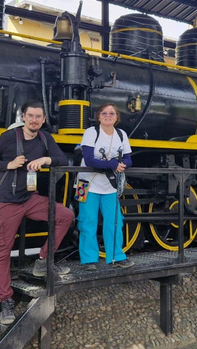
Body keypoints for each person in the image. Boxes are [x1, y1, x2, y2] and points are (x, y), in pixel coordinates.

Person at [0, 100, 74, 325]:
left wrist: (46, 159)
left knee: (65, 216)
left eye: (38, 117)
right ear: (23, 117)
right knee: (3, 252)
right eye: (30, 116)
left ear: (44, 119)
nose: (34, 120)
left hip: (29, 198)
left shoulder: (44, 138)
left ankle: (43, 259)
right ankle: (6, 300)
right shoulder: (10, 137)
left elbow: (62, 159)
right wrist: (8, 165)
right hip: (4, 202)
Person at [76, 103, 134, 270]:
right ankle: (88, 260)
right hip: (85, 183)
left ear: (117, 117)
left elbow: (129, 158)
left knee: (115, 221)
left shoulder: (121, 134)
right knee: (87, 221)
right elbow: (88, 159)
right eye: (104, 113)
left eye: (112, 113)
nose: (108, 116)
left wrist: (123, 165)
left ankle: (117, 256)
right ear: (98, 116)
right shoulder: (91, 132)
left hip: (110, 185)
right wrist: (113, 164)